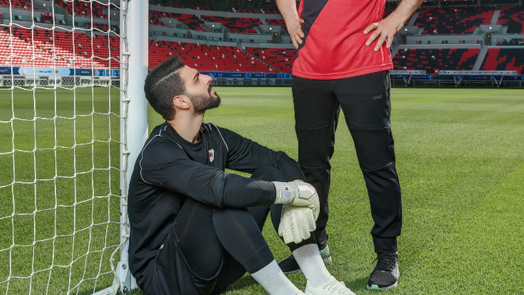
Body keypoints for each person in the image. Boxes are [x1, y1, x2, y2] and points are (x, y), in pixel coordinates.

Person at [272, 0, 442, 291]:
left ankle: (387, 253)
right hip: (309, 71)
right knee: (311, 168)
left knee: (377, 166)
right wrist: (290, 19)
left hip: (364, 67)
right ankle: (314, 247)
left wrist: (395, 20)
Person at [128, 55, 356, 295]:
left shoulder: (214, 136)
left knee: (270, 174)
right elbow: (220, 190)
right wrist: (291, 193)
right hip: (167, 279)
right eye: (197, 78)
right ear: (181, 101)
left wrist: (296, 190)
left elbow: (278, 160)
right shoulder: (158, 152)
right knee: (219, 197)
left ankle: (319, 280)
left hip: (218, 268)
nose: (208, 77)